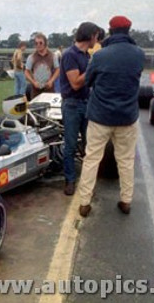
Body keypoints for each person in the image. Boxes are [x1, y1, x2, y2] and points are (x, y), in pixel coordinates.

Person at [77, 15, 145, 217]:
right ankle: (126, 200)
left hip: (100, 116)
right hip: (127, 117)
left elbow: (88, 82)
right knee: (125, 160)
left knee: (92, 159)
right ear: (128, 30)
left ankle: (84, 203)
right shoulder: (139, 54)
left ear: (111, 31)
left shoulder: (100, 56)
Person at [60, 22, 101, 196]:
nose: (97, 39)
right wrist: (94, 66)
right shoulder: (70, 55)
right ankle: (70, 180)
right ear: (90, 35)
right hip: (72, 104)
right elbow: (76, 83)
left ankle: (87, 179)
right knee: (70, 145)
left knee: (89, 144)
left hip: (86, 103)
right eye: (96, 36)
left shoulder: (86, 55)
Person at [24, 33, 60, 99]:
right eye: (36, 43)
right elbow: (26, 72)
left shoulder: (53, 56)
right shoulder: (31, 57)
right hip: (36, 92)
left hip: (49, 91)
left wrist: (51, 81)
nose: (38, 45)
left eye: (40, 43)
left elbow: (58, 70)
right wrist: (33, 82)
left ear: (45, 43)